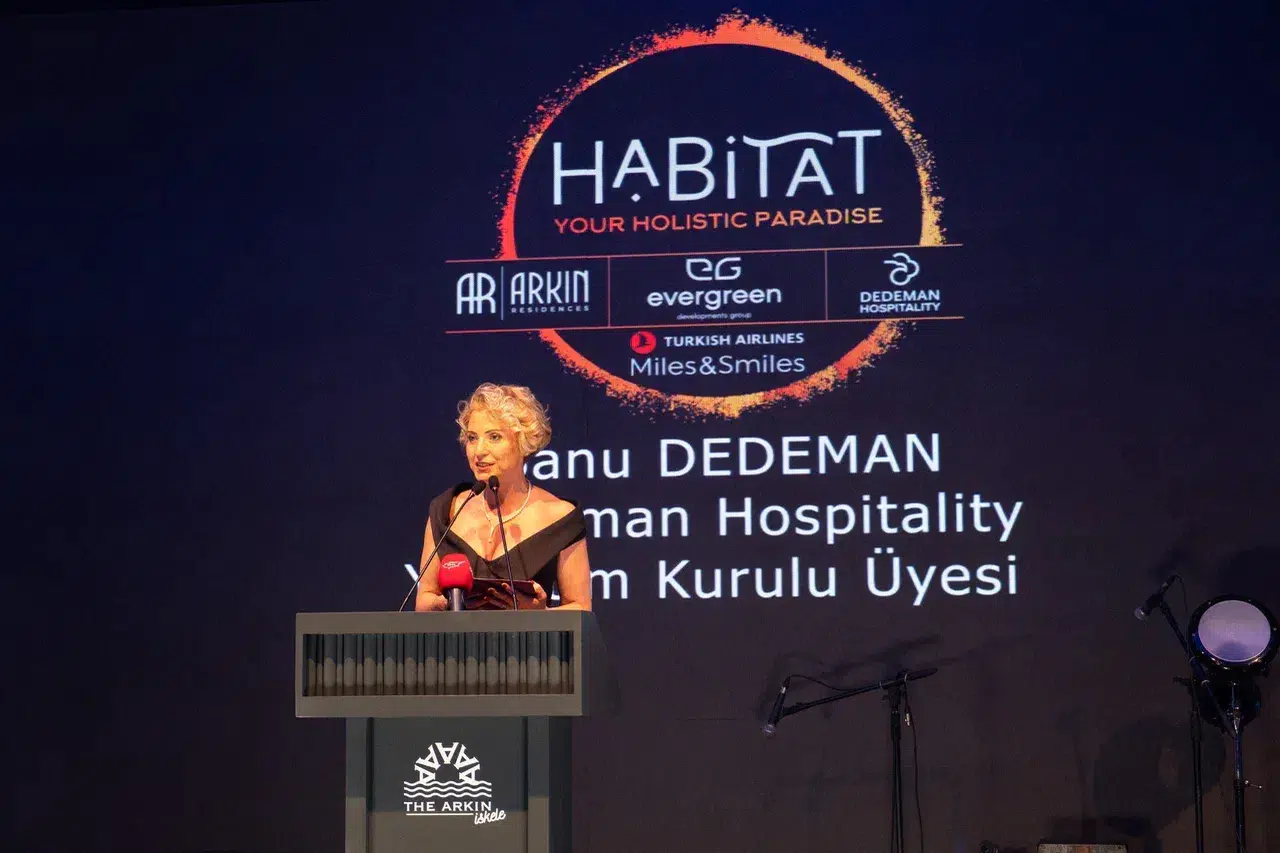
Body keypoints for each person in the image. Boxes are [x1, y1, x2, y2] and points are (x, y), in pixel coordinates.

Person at [415, 383, 592, 612]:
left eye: (494, 437)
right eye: (472, 438)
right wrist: (451, 604)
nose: (479, 451)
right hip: (458, 637)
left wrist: (539, 613)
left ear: (524, 442)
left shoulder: (560, 518)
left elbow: (581, 608)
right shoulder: (446, 511)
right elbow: (424, 599)